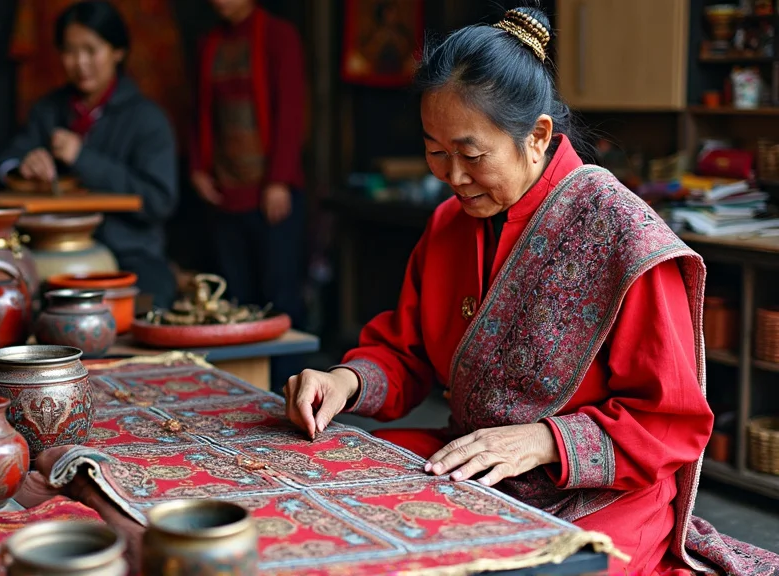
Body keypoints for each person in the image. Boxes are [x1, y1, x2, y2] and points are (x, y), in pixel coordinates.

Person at [283, 7, 779, 575]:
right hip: (475, 458)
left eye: (471, 155)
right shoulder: (449, 224)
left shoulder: (623, 234)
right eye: (435, 152)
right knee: (333, 496)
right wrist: (343, 381)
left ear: (538, 135)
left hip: (601, 493)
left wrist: (544, 442)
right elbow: (407, 351)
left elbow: (669, 423)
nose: (452, 175)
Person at [0, 1, 178, 308]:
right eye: (69, 51)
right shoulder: (49, 110)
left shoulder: (147, 118)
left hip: (128, 253)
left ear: (117, 52)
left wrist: (82, 158)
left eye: (91, 50)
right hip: (51, 249)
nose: (79, 63)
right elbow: (3, 163)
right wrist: (21, 168)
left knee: (154, 292)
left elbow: (159, 199)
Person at [191, 0, 307, 381]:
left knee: (279, 296)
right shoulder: (209, 42)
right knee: (233, 299)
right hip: (225, 191)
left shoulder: (278, 35)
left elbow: (291, 110)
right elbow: (199, 110)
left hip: (269, 192)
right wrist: (198, 168)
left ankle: (289, 388)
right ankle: (241, 388)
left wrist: (279, 179)